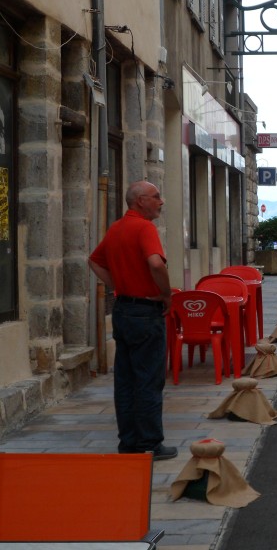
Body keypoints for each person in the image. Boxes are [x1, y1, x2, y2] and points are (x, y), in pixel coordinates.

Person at [88, 180, 177, 460]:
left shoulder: (116, 228)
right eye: (156, 196)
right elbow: (155, 263)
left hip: (123, 310)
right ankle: (150, 443)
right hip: (146, 312)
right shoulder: (144, 228)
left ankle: (128, 442)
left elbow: (94, 261)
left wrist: (118, 285)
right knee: (148, 379)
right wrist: (166, 294)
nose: (161, 201)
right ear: (140, 201)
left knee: (125, 381)